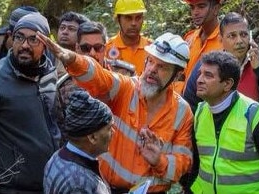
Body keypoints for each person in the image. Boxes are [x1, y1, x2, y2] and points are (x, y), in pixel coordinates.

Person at [38, 31, 193, 193]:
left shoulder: (183, 112)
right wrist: (74, 60)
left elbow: (183, 163)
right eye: (150, 61)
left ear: (177, 75)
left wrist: (160, 161)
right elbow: (99, 77)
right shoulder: (125, 88)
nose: (152, 69)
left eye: (162, 67)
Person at [0, 13, 60, 193]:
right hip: (9, 188)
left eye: (33, 39)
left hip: (50, 185)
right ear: (11, 38)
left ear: (45, 44)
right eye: (19, 37)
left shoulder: (50, 75)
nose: (24, 45)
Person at [191, 51, 259, 193]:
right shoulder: (199, 113)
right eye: (200, 73)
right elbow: (196, 164)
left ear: (227, 84)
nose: (199, 79)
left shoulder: (256, 116)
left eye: (208, 75)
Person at [183, 12, 259, 113]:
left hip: (258, 129)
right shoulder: (207, 66)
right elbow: (190, 104)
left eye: (243, 34)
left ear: (250, 36)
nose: (239, 41)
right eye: (232, 36)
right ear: (220, 39)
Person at [44, 90, 113, 194]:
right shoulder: (78, 184)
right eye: (109, 128)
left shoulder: (56, 157)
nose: (113, 132)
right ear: (93, 137)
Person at [177, 0, 223, 94]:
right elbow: (180, 73)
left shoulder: (226, 40)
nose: (195, 12)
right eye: (192, 7)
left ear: (216, 9)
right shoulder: (189, 39)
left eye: (201, 7)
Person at [105, 0, 152, 75]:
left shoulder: (152, 48)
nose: (133, 23)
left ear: (143, 19)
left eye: (138, 18)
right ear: (118, 19)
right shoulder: (107, 48)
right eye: (128, 18)